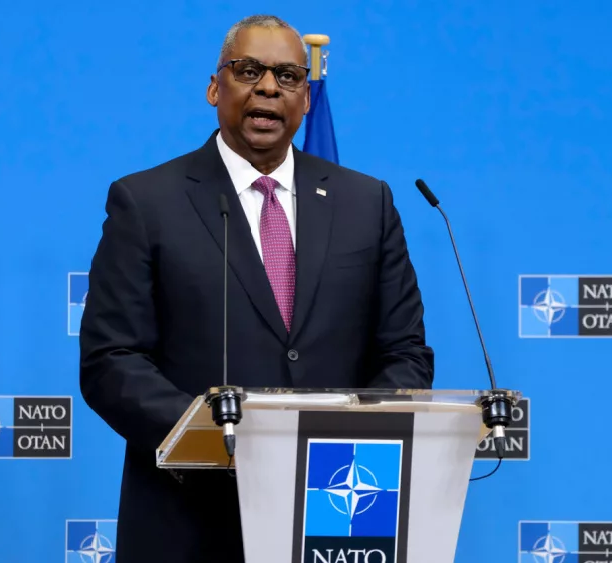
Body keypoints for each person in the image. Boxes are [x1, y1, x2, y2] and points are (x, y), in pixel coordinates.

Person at [79, 14, 434, 563]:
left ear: (306, 99)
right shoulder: (146, 202)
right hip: (191, 517)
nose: (268, 87)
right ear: (214, 88)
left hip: (335, 510)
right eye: (248, 71)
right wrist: (219, 436)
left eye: (288, 76)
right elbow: (111, 359)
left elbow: (405, 353)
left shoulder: (368, 204)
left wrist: (348, 437)